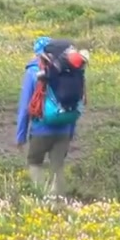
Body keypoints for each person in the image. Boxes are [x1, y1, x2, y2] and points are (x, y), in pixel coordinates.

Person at [15, 36, 80, 198]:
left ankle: (42, 197)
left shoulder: (33, 72)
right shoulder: (70, 71)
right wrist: (70, 131)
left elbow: (25, 107)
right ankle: (57, 202)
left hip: (41, 129)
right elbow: (76, 104)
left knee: (34, 163)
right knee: (58, 166)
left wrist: (20, 135)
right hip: (64, 127)